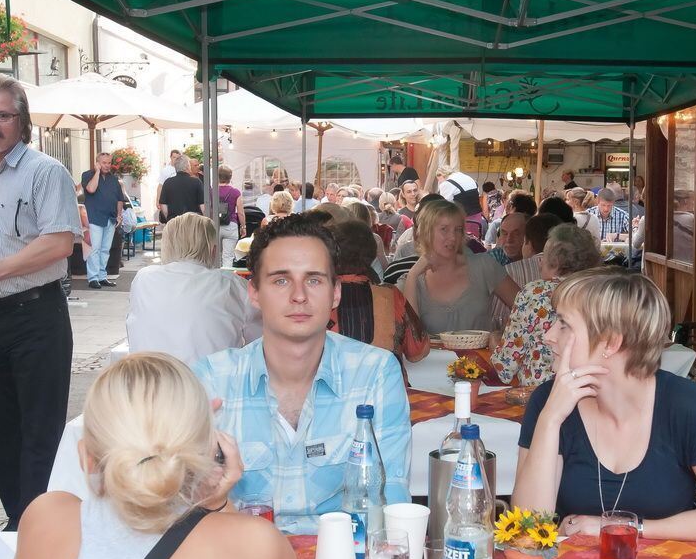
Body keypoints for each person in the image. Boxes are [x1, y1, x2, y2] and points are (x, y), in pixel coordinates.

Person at [7, 353, 322, 559]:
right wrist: (219, 503)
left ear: (86, 456)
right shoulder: (252, 543)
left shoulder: (44, 515)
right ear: (209, 449)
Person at [191, 215, 411, 533]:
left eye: (314, 280)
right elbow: (183, 507)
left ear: (335, 292)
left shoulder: (374, 374)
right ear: (253, 292)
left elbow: (392, 502)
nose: (299, 296)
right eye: (281, 280)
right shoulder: (212, 380)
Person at [512, 269, 696, 541]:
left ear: (611, 342)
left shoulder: (685, 405)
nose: (548, 335)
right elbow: (526, 530)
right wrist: (550, 419)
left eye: (564, 324)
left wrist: (622, 529)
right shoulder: (549, 400)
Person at [0, 73, 82, 530]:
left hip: (36, 318)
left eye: (2, 115)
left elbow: (60, 243)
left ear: (21, 120)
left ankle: (41, 528)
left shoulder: (46, 172)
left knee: (39, 433)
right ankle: (17, 520)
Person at [127, 213, 260, 365]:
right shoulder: (232, 285)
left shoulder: (143, 279)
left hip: (147, 380)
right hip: (212, 385)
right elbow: (259, 342)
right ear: (213, 250)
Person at [491, 224, 600, 385]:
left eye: (544, 257)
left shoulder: (535, 293)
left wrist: (494, 341)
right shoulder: (600, 294)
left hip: (541, 394)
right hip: (588, 389)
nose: (540, 263)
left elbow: (505, 367)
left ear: (554, 262)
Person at [330, 220, 429, 383]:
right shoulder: (390, 295)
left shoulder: (315, 296)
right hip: (388, 395)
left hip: (331, 399)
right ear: (371, 254)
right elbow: (418, 350)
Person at [405, 199, 519, 334]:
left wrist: (506, 337)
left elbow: (528, 307)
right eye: (444, 229)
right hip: (434, 356)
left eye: (458, 230)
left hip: (479, 355)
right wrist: (411, 277)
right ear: (426, 232)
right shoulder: (415, 280)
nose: (453, 237)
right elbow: (411, 338)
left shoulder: (484, 266)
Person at [81, 151, 123, 289]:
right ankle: (93, 278)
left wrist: (119, 215)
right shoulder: (88, 175)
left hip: (110, 218)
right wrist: (97, 172)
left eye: (109, 162)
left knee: (105, 249)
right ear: (97, 163)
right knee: (94, 249)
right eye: (104, 163)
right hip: (94, 217)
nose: (107, 165)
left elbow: (119, 199)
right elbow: (91, 189)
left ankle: (102, 276)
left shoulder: (113, 179)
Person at [435, 165, 485, 239]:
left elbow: (444, 206)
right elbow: (478, 194)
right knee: (474, 244)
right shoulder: (468, 178)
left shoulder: (447, 184)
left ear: (441, 175)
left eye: (438, 179)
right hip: (478, 218)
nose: (439, 182)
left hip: (463, 222)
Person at [160, 154, 205, 222]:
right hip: (193, 222)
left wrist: (169, 220)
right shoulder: (196, 182)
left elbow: (163, 205)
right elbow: (202, 205)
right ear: (187, 167)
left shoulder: (167, 182)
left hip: (174, 222)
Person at [217, 167, 246, 268]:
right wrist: (243, 227)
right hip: (231, 225)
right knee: (228, 257)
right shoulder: (235, 192)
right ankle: (226, 280)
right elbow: (241, 212)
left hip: (215, 225)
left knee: (216, 257)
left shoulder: (211, 191)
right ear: (230, 177)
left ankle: (216, 280)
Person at [155, 149, 181, 222]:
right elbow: (160, 186)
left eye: (177, 158)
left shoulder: (181, 169)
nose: (175, 159)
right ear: (170, 157)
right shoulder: (165, 170)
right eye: (174, 157)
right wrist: (158, 200)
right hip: (169, 199)